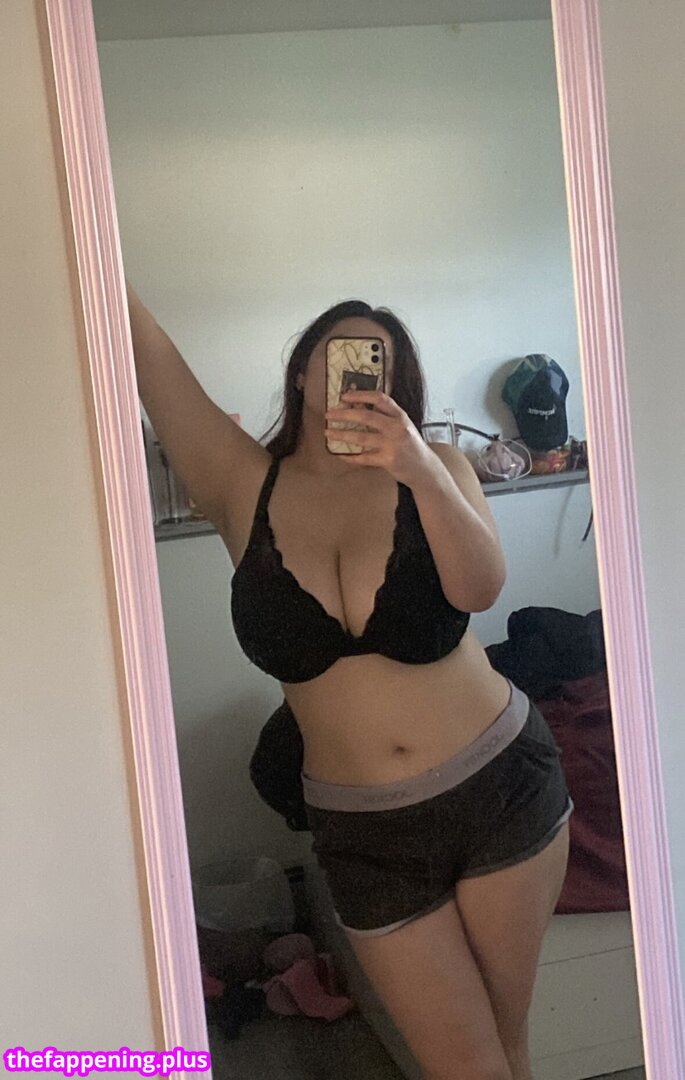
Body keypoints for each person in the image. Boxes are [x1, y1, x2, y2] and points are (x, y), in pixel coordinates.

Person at [127, 284, 573, 1080]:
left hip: (499, 786)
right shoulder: (240, 483)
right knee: (469, 1066)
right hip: (367, 835)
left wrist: (420, 469)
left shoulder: (435, 467)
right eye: (340, 353)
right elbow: (149, 352)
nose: (358, 373)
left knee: (504, 1048)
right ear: (303, 371)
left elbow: (480, 589)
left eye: (379, 365)